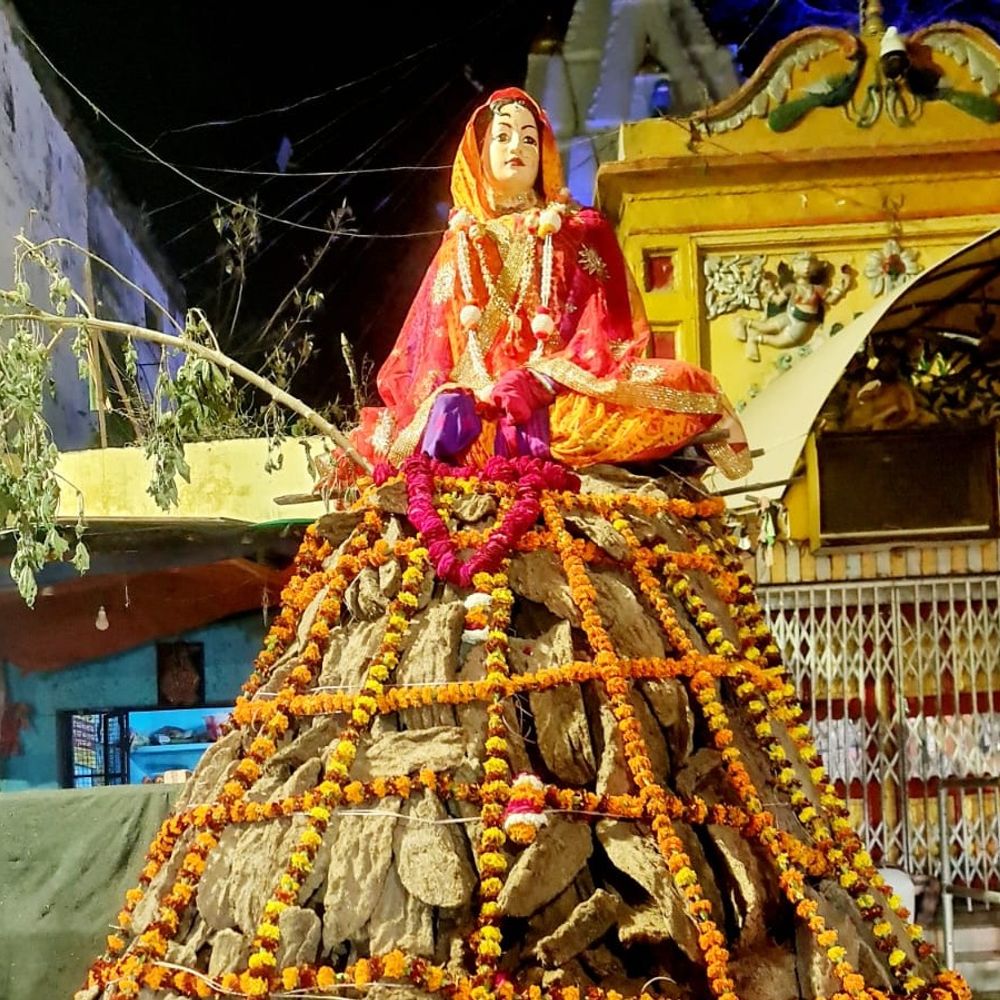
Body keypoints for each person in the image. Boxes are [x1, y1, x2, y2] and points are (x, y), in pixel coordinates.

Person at [349, 87, 750, 478]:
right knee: (432, 429)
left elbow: (608, 334)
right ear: (478, 154)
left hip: (563, 398)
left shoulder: (577, 230)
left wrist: (540, 378)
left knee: (688, 383)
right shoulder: (460, 246)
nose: (517, 148)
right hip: (485, 415)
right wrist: (467, 395)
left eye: (529, 139)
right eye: (502, 137)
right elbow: (431, 360)